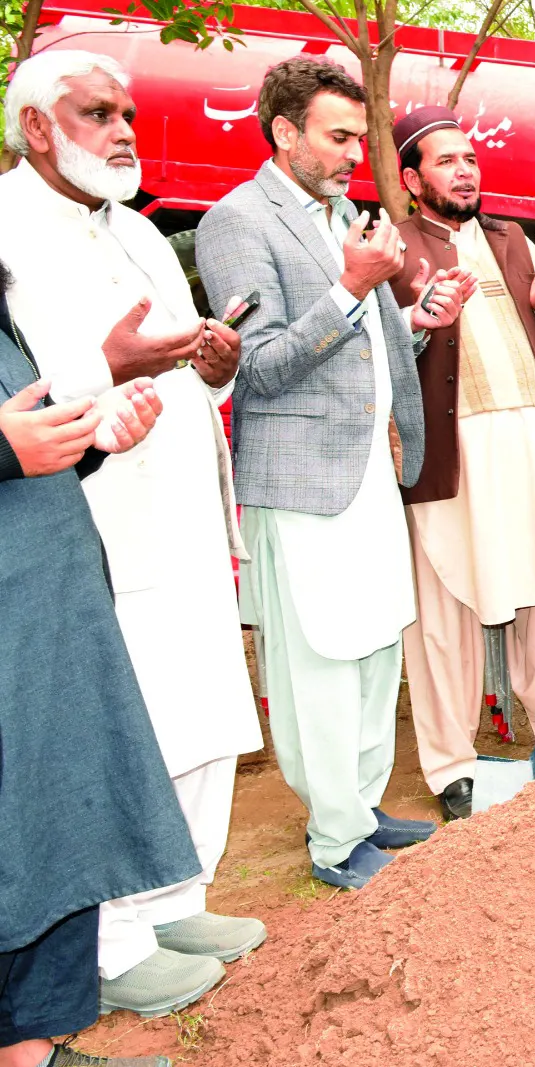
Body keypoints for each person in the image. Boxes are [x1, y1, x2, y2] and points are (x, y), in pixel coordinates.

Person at [0, 50, 270, 1016]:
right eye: (99, 113)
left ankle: (173, 901)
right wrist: (105, 366)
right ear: (38, 127)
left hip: (183, 507)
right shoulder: (7, 225)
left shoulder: (142, 228)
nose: (124, 131)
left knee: (198, 706)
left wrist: (215, 363)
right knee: (124, 722)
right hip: (93, 517)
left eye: (128, 114)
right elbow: (26, 387)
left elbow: (181, 354)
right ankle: (112, 946)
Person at [194, 57, 468, 889]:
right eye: (339, 136)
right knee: (319, 662)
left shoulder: (342, 214)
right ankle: (335, 838)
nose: (355, 153)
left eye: (358, 136)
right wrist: (352, 285)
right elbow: (260, 366)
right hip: (304, 479)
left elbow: (362, 346)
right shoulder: (237, 221)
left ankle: (362, 805)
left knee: (376, 646)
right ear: (285, 132)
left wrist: (416, 319)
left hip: (371, 469)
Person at [0, 256, 197, 1067]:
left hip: (47, 607)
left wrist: (86, 444)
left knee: (53, 829)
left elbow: (25, 436)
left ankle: (31, 1051)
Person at [387, 106, 535, 822]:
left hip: (529, 440)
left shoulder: (511, 238)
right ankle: (452, 766)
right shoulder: (393, 248)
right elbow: (384, 350)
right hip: (451, 450)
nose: (464, 171)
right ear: (412, 179)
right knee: (446, 607)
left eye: (469, 158)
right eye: (445, 161)